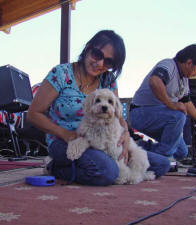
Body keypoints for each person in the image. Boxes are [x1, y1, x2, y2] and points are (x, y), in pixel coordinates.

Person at [27, 30, 170, 186]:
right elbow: (33, 114)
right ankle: (54, 167)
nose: (100, 64)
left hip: (103, 140)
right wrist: (65, 133)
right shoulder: (60, 74)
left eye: (108, 62)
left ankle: (104, 165)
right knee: (107, 172)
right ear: (88, 48)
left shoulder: (108, 80)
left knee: (162, 164)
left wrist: (126, 136)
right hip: (65, 141)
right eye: (97, 54)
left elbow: (118, 116)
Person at [129, 44, 196, 161]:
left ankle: (137, 150)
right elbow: (155, 81)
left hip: (160, 118)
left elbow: (186, 102)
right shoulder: (168, 65)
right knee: (178, 115)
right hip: (140, 114)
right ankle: (163, 159)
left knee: (181, 152)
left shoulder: (184, 79)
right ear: (189, 63)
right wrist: (171, 104)